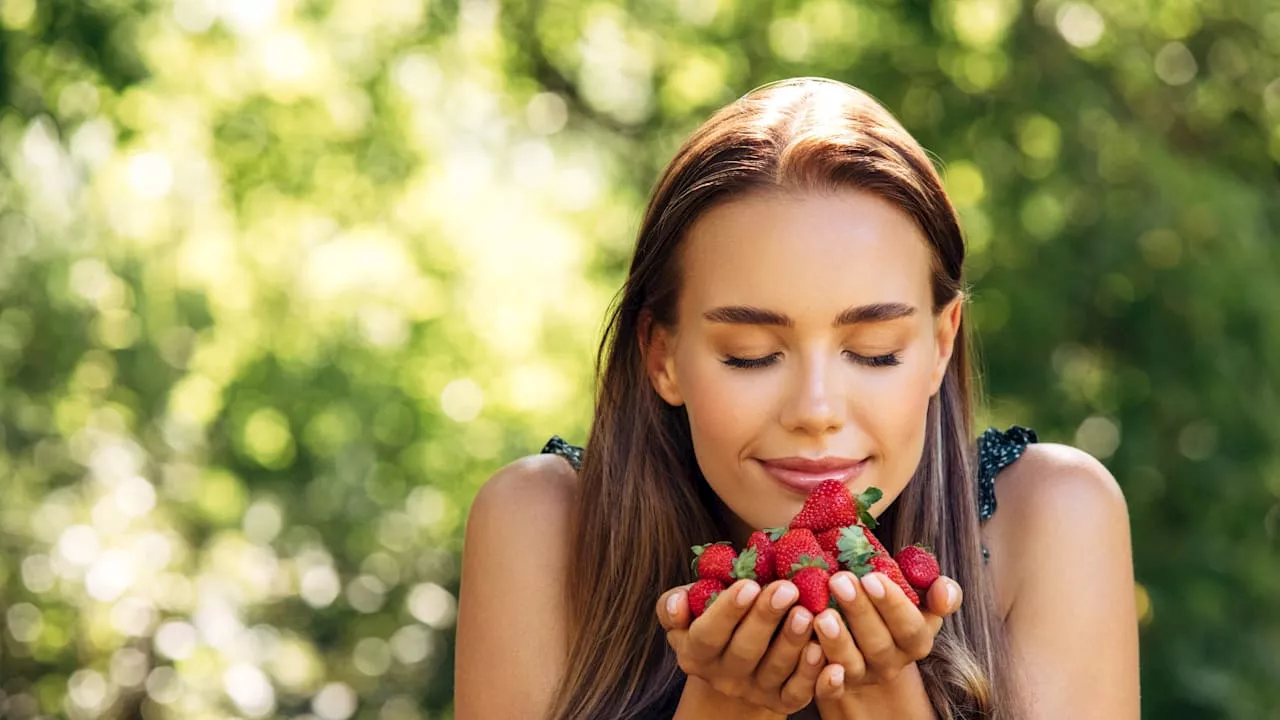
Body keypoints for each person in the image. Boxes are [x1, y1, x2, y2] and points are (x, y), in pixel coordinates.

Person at [454, 77, 1140, 719]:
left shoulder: (1052, 517)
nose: (815, 410)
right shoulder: (542, 526)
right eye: (750, 355)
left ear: (939, 345)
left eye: (875, 351)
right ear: (662, 356)